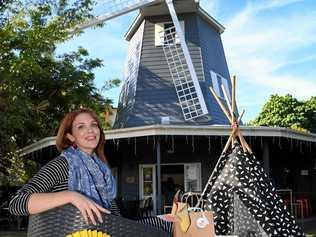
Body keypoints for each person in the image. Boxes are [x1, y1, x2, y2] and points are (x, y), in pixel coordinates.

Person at [9, 108, 119, 225]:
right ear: (71, 136)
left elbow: (115, 217)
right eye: (81, 126)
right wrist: (71, 196)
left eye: (94, 125)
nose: (90, 130)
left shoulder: (102, 171)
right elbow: (16, 203)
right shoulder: (63, 164)